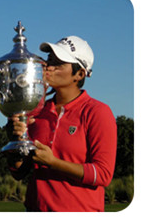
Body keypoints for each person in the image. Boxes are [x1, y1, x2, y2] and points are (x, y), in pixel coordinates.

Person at [7, 36, 117, 211]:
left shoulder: (97, 112)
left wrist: (53, 162)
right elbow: (19, 172)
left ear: (79, 74)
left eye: (59, 64)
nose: (49, 67)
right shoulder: (35, 111)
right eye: (49, 60)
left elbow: (103, 174)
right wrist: (14, 139)